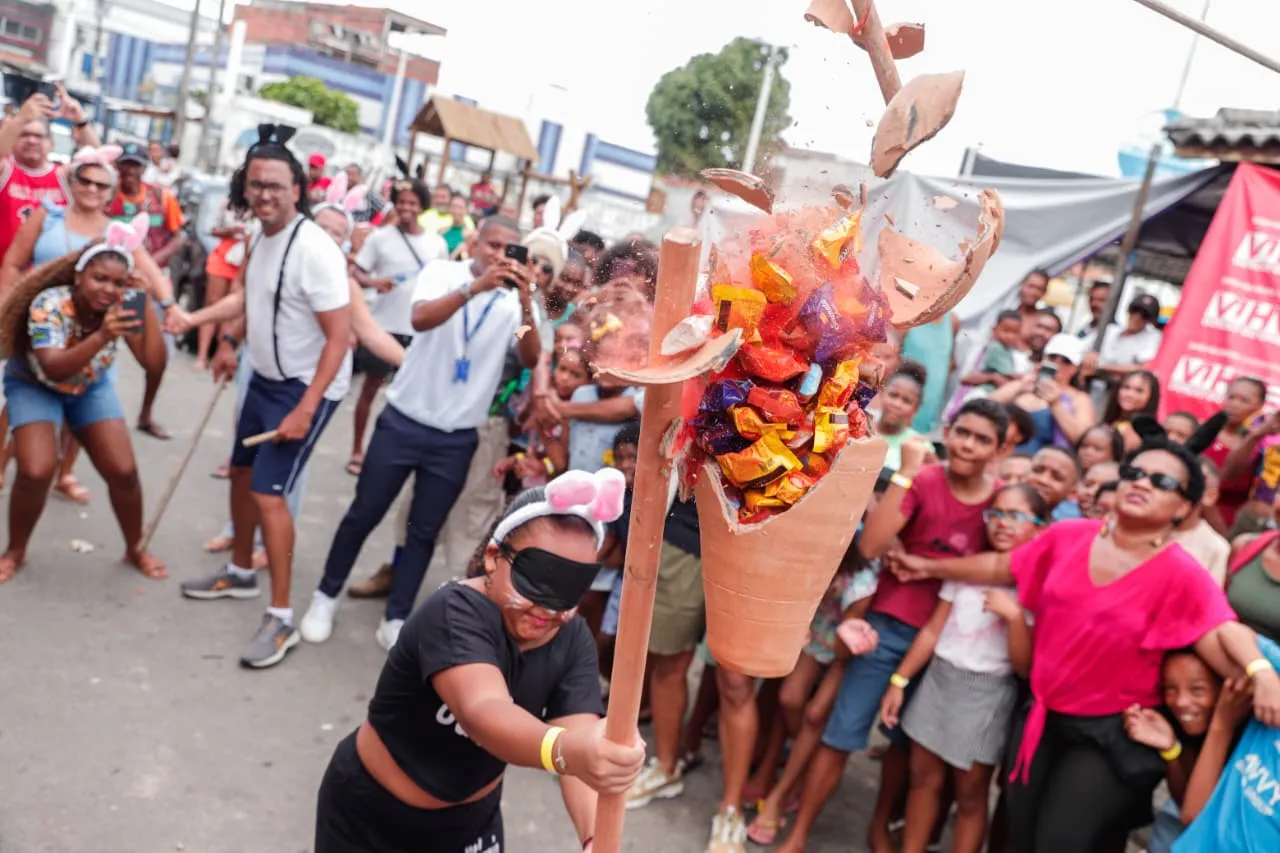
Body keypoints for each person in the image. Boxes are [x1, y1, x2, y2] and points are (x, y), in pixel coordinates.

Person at [887, 431, 1280, 852]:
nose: (1142, 482)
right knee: (1021, 834)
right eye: (1134, 472)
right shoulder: (1069, 535)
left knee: (1060, 842)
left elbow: (1223, 627)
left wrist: (1262, 673)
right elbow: (1005, 566)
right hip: (1041, 715)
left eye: (1162, 481)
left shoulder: (1180, 572)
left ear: (1184, 507)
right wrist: (926, 566)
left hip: (1110, 732)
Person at [313, 473, 646, 853]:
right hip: (371, 819)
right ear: (493, 558)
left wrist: (593, 837)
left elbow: (580, 738)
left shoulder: (572, 640)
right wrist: (568, 750)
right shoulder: (453, 612)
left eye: (568, 588)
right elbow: (484, 711)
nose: (547, 607)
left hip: (470, 828)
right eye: (535, 578)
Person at [776, 399, 1009, 853]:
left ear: (999, 449)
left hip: (948, 642)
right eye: (962, 432)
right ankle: (798, 833)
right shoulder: (924, 478)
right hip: (887, 625)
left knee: (909, 751)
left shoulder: (1000, 497)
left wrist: (929, 566)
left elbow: (1008, 566)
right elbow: (877, 543)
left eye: (982, 439)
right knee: (841, 733)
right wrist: (905, 472)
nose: (968, 444)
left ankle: (881, 826)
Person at [300, 216, 540, 652]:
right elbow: (421, 317)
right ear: (475, 243)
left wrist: (525, 304)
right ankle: (325, 596)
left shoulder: (518, 304)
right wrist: (476, 287)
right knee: (365, 512)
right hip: (404, 421)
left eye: (509, 249)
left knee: (422, 530)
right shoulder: (443, 273)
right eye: (492, 244)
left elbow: (528, 355)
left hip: (455, 437)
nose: (499, 255)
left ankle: (396, 615)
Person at [179, 125, 352, 670]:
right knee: (238, 473)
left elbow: (340, 338)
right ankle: (240, 572)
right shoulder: (259, 237)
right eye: (256, 185)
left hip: (306, 387)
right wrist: (219, 336)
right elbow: (248, 302)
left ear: (297, 189)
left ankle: (281, 619)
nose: (264, 195)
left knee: (270, 493)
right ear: (245, 188)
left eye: (275, 185)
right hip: (265, 378)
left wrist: (305, 409)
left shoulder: (317, 251)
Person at [0, 146, 178, 505]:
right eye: (86, 180)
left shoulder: (117, 235)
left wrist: (171, 307)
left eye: (101, 185)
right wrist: (9, 305)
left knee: (84, 409)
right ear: (72, 180)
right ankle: (4, 468)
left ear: (111, 193)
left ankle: (64, 473)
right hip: (43, 326)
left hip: (95, 338)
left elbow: (147, 272)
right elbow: (14, 263)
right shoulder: (47, 216)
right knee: (22, 410)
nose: (93, 189)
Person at [0, 220, 166, 582]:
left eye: (119, 283)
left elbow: (153, 363)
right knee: (36, 470)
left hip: (90, 389)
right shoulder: (50, 304)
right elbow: (54, 368)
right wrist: (105, 334)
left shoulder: (125, 306)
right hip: (35, 385)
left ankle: (135, 547)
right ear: (79, 277)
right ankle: (15, 550)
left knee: (124, 472)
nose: (109, 289)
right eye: (99, 278)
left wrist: (146, 304)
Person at [882, 484, 1043, 853]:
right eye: (996, 514)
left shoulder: (1033, 589)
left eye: (1016, 516)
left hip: (986, 695)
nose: (1003, 523)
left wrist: (1015, 618)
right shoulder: (968, 569)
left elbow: (1023, 668)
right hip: (939, 681)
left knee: (971, 795)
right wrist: (899, 680)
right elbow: (932, 631)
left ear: (1039, 528)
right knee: (923, 780)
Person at [347, 178, 445, 477]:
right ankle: (357, 450)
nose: (406, 208)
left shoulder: (436, 244)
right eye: (401, 201)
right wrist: (375, 283)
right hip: (382, 327)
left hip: (419, 332)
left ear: (422, 207)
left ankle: (396, 457)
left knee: (412, 396)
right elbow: (356, 272)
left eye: (412, 203)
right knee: (370, 389)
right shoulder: (380, 238)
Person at [1121, 650, 1252, 853]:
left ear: (1225, 690)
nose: (1180, 701)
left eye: (1198, 690)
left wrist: (1222, 725)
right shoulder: (1188, 728)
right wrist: (1171, 750)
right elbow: (1185, 802)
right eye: (1170, 689)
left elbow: (1197, 819)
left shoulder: (1250, 741)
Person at [105, 141, 185, 441]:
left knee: (157, 356)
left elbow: (179, 237)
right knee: (107, 345)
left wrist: (153, 260)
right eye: (124, 164)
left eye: (135, 165)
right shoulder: (108, 197)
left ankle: (146, 413)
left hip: (153, 284)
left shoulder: (161, 197)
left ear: (143, 168)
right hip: (116, 286)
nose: (129, 171)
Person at [0, 86, 100, 261]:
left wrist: (81, 121)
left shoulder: (63, 176)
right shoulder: (5, 170)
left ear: (51, 143)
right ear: (14, 140)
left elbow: (99, 163)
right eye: (25, 134)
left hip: (49, 281)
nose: (32, 140)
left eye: (39, 136)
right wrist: (20, 119)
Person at [990, 334, 1095, 452]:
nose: (1058, 363)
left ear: (1076, 368)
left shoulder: (1079, 399)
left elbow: (1084, 440)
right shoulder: (1025, 384)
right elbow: (984, 408)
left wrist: (1056, 405)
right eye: (1053, 357)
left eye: (1066, 361)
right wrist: (1020, 387)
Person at [900, 311, 959, 437]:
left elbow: (950, 362)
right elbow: (891, 354)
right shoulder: (909, 316)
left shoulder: (953, 321)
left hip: (931, 402)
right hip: (902, 395)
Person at [1102, 369, 1161, 452]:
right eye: (1126, 387)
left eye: (1139, 391)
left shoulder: (1144, 433)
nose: (1130, 394)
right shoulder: (1109, 423)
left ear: (1151, 397)